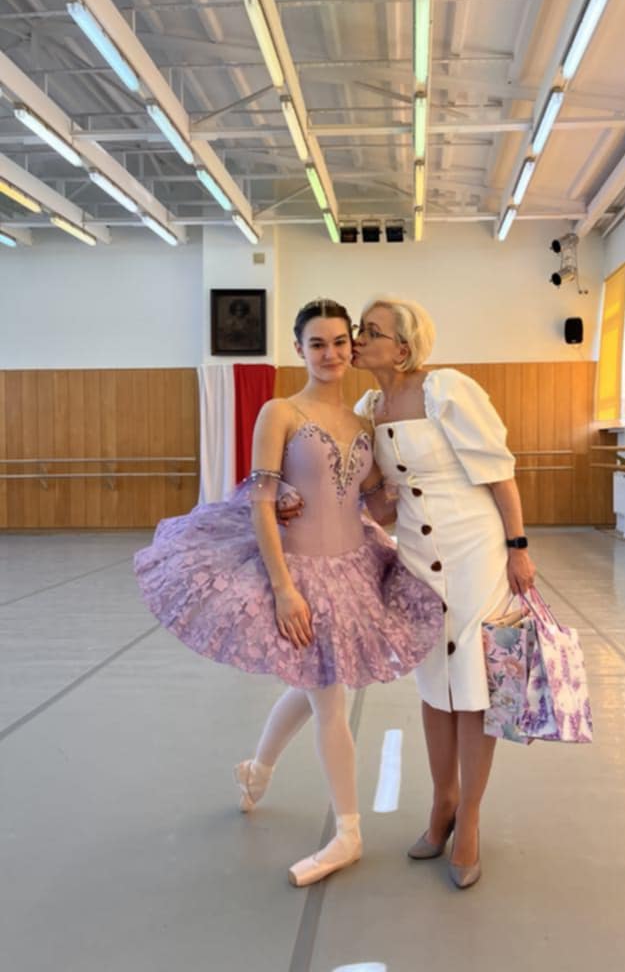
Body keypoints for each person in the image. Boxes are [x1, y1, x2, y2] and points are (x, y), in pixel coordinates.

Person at [133, 299, 443, 888]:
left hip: (352, 569)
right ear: (299, 349)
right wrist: (283, 588)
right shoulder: (280, 411)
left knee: (315, 682)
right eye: (317, 344)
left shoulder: (363, 422)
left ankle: (257, 768)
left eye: (339, 342)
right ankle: (349, 831)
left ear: (352, 346)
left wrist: (416, 484)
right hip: (300, 573)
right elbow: (260, 501)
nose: (330, 354)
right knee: (330, 700)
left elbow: (373, 503)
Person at [351, 297, 536, 889]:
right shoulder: (367, 409)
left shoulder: (447, 390)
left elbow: (499, 473)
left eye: (371, 331)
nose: (357, 338)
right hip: (417, 557)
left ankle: (470, 819)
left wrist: (518, 546)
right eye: (359, 328)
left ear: (403, 347)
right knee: (434, 684)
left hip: (474, 549)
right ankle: (442, 803)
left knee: (474, 687)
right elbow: (383, 504)